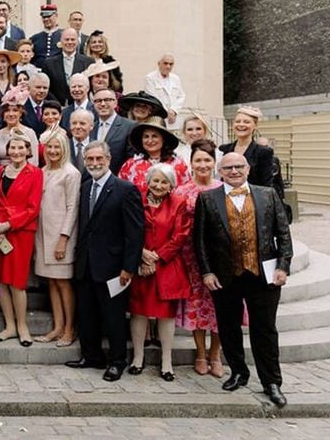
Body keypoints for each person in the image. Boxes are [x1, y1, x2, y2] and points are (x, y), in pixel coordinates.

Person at [194, 153, 292, 408]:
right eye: (228, 167)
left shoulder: (267, 194)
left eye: (239, 166)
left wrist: (283, 266)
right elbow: (200, 241)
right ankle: (238, 372)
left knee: (265, 330)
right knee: (228, 327)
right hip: (225, 275)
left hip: (263, 275)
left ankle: (271, 382)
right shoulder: (207, 198)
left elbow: (283, 233)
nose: (234, 171)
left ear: (248, 169)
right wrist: (207, 272)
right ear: (220, 171)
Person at [65, 141, 144, 382]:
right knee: (87, 314)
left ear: (108, 160)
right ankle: (92, 356)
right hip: (86, 264)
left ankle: (117, 361)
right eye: (90, 160)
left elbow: (135, 233)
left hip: (113, 267)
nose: (95, 163)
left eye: (99, 159)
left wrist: (128, 268)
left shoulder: (124, 189)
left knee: (113, 317)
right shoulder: (85, 185)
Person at [125, 163, 191, 382]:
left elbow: (180, 235)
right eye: (156, 181)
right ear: (148, 181)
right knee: (138, 312)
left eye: (164, 182)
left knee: (165, 315)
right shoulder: (137, 200)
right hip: (140, 264)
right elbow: (129, 229)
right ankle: (137, 357)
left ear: (171, 185)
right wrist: (142, 254)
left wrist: (157, 257)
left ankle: (166, 361)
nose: (159, 185)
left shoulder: (178, 203)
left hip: (167, 266)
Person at [172, 140, 225, 376]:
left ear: (214, 163)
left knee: (220, 307)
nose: (202, 164)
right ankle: (200, 353)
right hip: (191, 258)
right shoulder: (181, 191)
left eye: (207, 160)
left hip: (220, 257)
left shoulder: (223, 188)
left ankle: (216, 354)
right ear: (191, 163)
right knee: (197, 307)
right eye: (198, 160)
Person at [0, 129, 43, 347]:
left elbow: (33, 208)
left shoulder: (35, 173)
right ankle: (9, 326)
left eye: (21, 147)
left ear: (28, 150)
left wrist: (8, 224)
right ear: (7, 150)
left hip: (20, 231)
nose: (16, 151)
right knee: (1, 280)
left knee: (17, 282)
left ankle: (22, 326)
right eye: (13, 147)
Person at [34, 128, 80, 346]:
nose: (53, 151)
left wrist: (64, 238)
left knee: (63, 282)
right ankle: (58, 327)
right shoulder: (42, 171)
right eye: (50, 147)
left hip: (61, 236)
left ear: (64, 149)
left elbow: (72, 208)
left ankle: (70, 329)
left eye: (57, 147)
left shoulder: (70, 173)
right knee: (52, 282)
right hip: (43, 235)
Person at [119, 117, 191, 193]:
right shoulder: (130, 165)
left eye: (154, 136)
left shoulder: (178, 164)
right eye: (146, 136)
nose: (150, 141)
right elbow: (120, 191)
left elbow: (187, 191)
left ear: (163, 139)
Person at [218, 106, 275, 188]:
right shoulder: (224, 149)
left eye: (246, 122)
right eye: (237, 121)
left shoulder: (263, 152)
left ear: (255, 125)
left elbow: (266, 185)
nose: (241, 125)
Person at [41, 28, 94, 106]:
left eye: (72, 40)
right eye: (67, 39)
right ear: (61, 41)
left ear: (77, 42)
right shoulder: (49, 63)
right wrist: (57, 104)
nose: (70, 42)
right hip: (56, 108)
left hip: (81, 106)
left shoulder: (88, 62)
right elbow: (46, 87)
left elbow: (91, 85)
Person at [91, 88, 134, 174]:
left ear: (115, 103)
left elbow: (131, 159)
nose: (102, 104)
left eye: (107, 100)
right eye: (98, 101)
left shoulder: (129, 126)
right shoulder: (90, 128)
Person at [0, 90, 40, 167]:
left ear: (21, 113)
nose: (11, 114)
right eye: (7, 111)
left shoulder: (29, 133)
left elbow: (34, 162)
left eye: (15, 110)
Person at [143, 53, 185, 129]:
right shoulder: (150, 78)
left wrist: (173, 110)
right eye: (165, 63)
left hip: (174, 117)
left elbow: (181, 96)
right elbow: (153, 98)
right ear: (159, 64)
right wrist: (167, 112)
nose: (168, 66)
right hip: (158, 116)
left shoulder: (176, 78)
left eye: (171, 64)